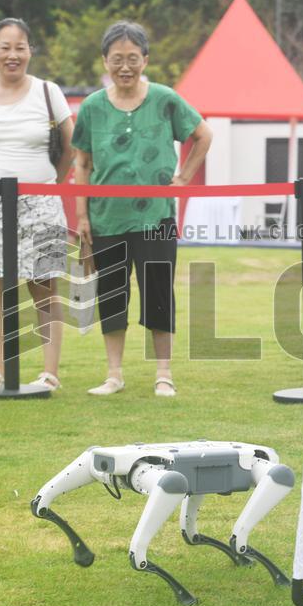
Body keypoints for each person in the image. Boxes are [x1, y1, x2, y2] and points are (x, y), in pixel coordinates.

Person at [72, 21, 212, 397]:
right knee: (111, 292)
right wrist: (82, 214)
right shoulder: (92, 107)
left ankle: (163, 373)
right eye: (116, 59)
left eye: (132, 58)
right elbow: (81, 164)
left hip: (158, 215)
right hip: (106, 217)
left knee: (159, 291)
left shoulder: (166, 99)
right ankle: (113, 374)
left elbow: (202, 135)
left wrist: (184, 178)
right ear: (105, 61)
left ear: (145, 59)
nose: (125, 66)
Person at [0, 17, 74, 392]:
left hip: (42, 201)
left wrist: (44, 180)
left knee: (45, 286)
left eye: (20, 47)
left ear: (30, 51)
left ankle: (49, 372)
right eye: (4, 47)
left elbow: (69, 146)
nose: (12, 55)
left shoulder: (47, 92)